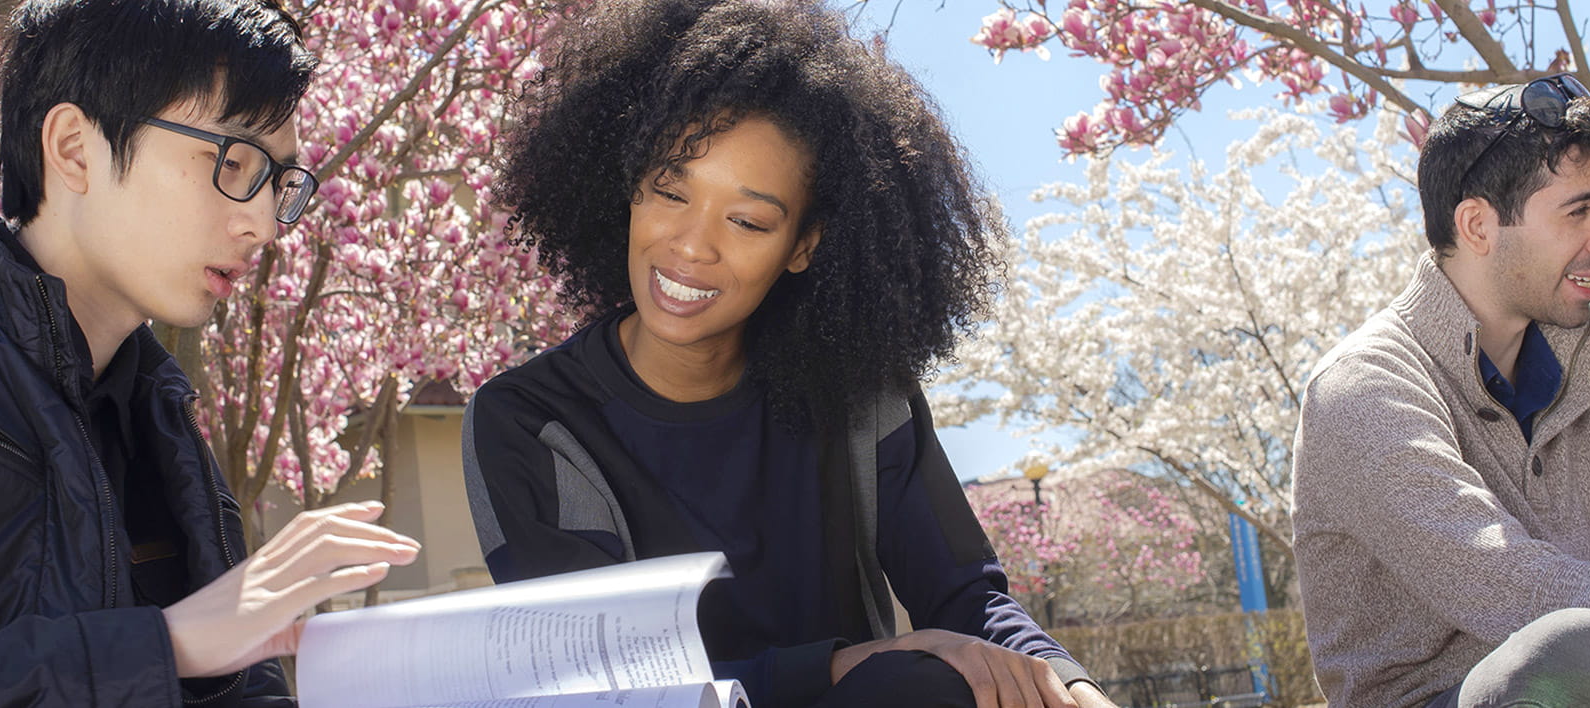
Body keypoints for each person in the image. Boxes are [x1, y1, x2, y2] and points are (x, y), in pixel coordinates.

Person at [460, 1, 1113, 707]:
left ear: (804, 245)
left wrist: (1073, 687)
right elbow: (600, 685)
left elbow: (965, 599)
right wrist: (850, 664)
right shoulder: (529, 421)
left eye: (747, 220)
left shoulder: (859, 394)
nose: (691, 246)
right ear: (626, 189)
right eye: (670, 191)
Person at [0, 0, 421, 705]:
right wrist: (164, 646)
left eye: (280, 185)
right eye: (234, 161)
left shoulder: (166, 428)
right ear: (75, 148)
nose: (263, 224)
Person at [1291, 73, 1590, 707]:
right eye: (1579, 211)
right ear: (1477, 226)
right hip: (1460, 695)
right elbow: (1503, 583)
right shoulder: (1363, 388)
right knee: (1587, 661)